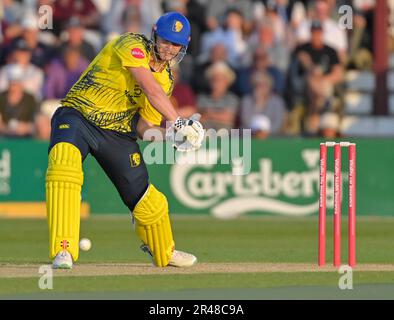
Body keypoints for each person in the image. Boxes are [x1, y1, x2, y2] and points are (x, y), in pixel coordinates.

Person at [46, 12, 205, 269]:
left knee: (148, 204)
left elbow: (144, 127)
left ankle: (164, 250)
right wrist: (178, 121)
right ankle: (63, 249)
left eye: (175, 44)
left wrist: (172, 137)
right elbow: (147, 85)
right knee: (64, 166)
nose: (168, 48)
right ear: (154, 34)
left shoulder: (167, 81)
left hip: (117, 133)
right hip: (80, 115)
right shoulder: (131, 44)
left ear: (183, 47)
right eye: (165, 40)